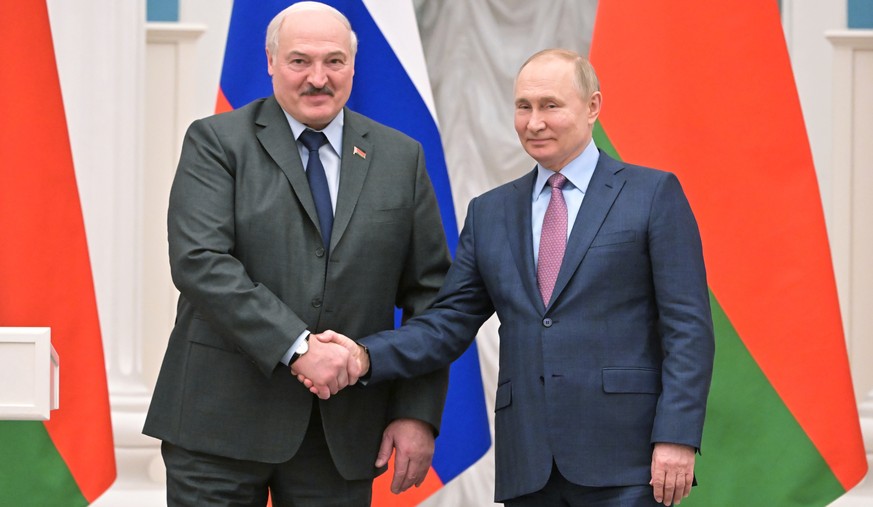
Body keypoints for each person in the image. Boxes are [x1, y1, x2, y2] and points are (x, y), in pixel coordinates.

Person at [306, 49, 715, 506]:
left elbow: (688, 329)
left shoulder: (652, 194)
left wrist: (677, 435)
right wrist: (365, 355)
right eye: (524, 106)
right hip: (530, 465)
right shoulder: (491, 213)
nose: (534, 122)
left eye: (550, 105)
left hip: (628, 461)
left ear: (593, 106)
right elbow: (446, 325)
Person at [142, 2, 452, 505]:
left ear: (353, 65)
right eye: (299, 61)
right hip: (218, 425)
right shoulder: (216, 142)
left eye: (334, 61)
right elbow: (200, 260)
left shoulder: (402, 158)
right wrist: (298, 347)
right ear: (270, 62)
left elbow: (431, 296)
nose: (318, 78)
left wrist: (415, 411)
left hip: (340, 434)